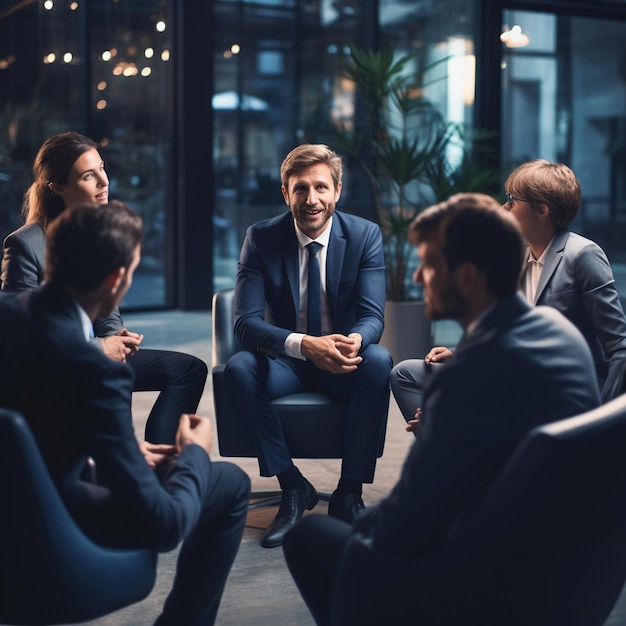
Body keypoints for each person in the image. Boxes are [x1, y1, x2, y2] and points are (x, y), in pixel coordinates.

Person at [282, 193, 601, 625]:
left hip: (482, 578)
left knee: (311, 536)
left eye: (429, 265)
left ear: (467, 277)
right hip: (562, 564)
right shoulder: (558, 330)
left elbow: (405, 528)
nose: (417, 275)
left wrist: (367, 527)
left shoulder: (462, 379)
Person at [0, 201, 250, 625]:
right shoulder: (96, 372)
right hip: (59, 536)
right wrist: (193, 452)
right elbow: (166, 525)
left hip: (16, 508)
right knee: (229, 483)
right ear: (117, 279)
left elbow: (36, 432)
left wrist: (123, 454)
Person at [223, 143, 392, 548]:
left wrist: (353, 342)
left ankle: (349, 492)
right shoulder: (261, 238)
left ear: (337, 191)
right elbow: (244, 324)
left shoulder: (364, 235)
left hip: (341, 357)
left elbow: (373, 316)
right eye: (301, 189)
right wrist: (305, 346)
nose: (311, 199)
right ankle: (293, 486)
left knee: (379, 360)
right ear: (286, 193)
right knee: (239, 368)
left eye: (321, 188)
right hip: (288, 360)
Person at [1, 131, 208, 443]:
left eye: (102, 168)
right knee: (109, 369)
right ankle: (124, 470)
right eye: (88, 175)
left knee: (187, 370)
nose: (103, 181)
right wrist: (99, 348)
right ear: (57, 187)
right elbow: (20, 336)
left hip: (93, 351)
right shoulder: (25, 244)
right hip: (55, 366)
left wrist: (114, 338)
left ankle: (156, 461)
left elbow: (107, 310)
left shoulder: (98, 230)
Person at [390, 160, 626, 427]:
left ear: (542, 210)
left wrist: (600, 419)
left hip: (558, 389)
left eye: (512, 201)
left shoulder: (582, 255)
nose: (504, 207)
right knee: (406, 375)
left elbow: (620, 347)